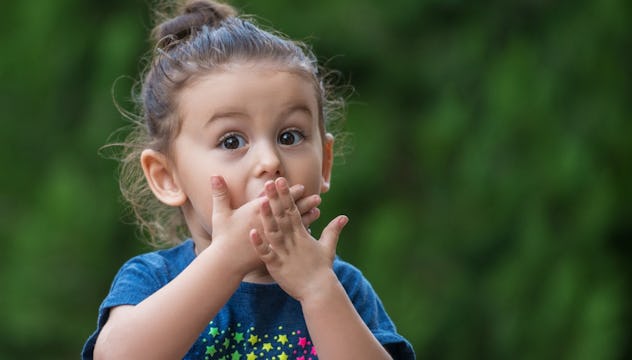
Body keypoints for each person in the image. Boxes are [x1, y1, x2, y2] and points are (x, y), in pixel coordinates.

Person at [82, 1, 415, 359]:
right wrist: (226, 259)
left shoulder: (341, 287)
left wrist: (318, 291)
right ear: (167, 177)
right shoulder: (154, 280)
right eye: (232, 141)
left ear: (325, 164)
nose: (270, 162)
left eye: (290, 136)